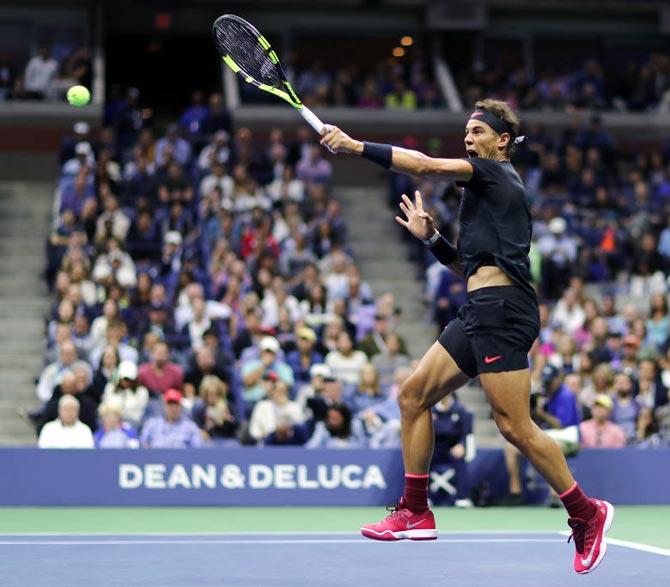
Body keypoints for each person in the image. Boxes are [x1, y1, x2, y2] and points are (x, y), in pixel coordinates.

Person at [321, 98, 612, 574]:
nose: (468, 139)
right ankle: (415, 509)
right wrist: (432, 240)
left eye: (478, 132)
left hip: (505, 313)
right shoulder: (482, 197)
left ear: (501, 141)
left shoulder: (495, 173)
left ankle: (586, 512)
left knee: (514, 426)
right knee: (413, 395)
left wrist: (354, 147)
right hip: (480, 308)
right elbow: (471, 269)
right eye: (466, 132)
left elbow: (425, 164)